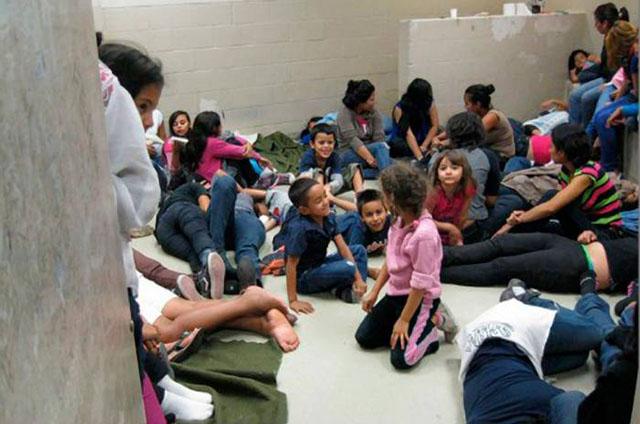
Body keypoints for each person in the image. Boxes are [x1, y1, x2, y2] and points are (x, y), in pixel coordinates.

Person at [459, 271, 636, 424]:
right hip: (490, 349)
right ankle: (622, 314)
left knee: (598, 335)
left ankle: (525, 298)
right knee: (580, 356)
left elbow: (572, 402)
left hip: (510, 326)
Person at [355, 164, 442, 370]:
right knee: (364, 338)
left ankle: (430, 331)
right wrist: (375, 291)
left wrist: (404, 320)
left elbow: (420, 285)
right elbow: (391, 259)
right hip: (397, 295)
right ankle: (410, 327)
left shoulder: (424, 234)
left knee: (403, 360)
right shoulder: (398, 220)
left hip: (420, 298)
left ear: (392, 197)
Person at [496, 124, 623, 240]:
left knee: (551, 197)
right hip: (583, 221)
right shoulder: (566, 170)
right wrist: (525, 215)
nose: (549, 150)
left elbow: (552, 207)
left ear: (562, 153)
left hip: (601, 232)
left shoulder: (587, 174)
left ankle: (509, 236)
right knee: (543, 212)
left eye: (552, 146)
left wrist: (518, 220)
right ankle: (511, 235)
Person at [136, 273, 299, 353]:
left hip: (119, 290)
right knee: (189, 307)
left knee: (166, 333)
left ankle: (249, 303)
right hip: (129, 274)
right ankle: (263, 321)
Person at [441, 229, 638, 293]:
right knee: (501, 243)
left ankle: (431, 273)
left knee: (502, 266)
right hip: (575, 246)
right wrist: (593, 233)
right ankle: (435, 255)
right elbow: (614, 236)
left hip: (579, 267)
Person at [284, 178, 368, 313]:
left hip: (321, 263)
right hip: (305, 277)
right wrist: (293, 300)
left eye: (324, 195)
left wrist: (358, 278)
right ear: (304, 210)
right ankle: (341, 289)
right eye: (318, 201)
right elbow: (291, 264)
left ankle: (354, 289)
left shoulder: (328, 217)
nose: (325, 202)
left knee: (359, 250)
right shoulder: (299, 229)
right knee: (349, 267)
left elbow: (343, 248)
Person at [430, 112, 501, 243]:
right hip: (471, 225)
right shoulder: (487, 156)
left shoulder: (437, 158)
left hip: (438, 225)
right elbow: (491, 200)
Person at [153, 182, 225, 298]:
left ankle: (203, 281)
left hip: (164, 232)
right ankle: (208, 257)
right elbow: (205, 207)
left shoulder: (168, 201)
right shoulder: (195, 187)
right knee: (198, 234)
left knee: (193, 253)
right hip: (182, 209)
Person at [589, 21, 638, 173]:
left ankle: (609, 166)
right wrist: (614, 103)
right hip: (631, 95)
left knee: (604, 119)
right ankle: (581, 157)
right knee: (598, 116)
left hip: (634, 99)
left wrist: (621, 109)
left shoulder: (635, 59)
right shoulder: (628, 57)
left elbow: (637, 93)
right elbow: (627, 81)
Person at [568, 4, 629, 127]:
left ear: (605, 23)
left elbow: (619, 70)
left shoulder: (616, 39)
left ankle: (585, 135)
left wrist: (608, 84)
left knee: (586, 98)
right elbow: (603, 66)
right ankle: (572, 131)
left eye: (596, 22)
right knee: (574, 95)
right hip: (606, 77)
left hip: (613, 81)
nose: (595, 26)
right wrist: (579, 77)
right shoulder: (607, 37)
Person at [181, 111, 271, 186]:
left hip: (204, 180)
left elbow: (232, 136)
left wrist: (247, 144)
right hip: (217, 181)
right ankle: (254, 182)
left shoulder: (195, 140)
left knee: (232, 140)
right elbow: (242, 152)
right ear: (214, 128)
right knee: (234, 148)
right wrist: (259, 157)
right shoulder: (212, 143)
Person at [298, 123, 364, 208]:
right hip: (312, 187)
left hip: (330, 187)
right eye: (321, 143)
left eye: (330, 142)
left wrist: (329, 187)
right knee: (318, 172)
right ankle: (321, 200)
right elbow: (304, 178)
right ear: (312, 144)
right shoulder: (308, 156)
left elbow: (338, 180)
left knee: (354, 167)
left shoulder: (335, 157)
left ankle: (361, 197)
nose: (326, 146)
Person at [336, 79, 392, 179]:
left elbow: (380, 138)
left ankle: (358, 173)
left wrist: (377, 157)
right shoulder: (344, 114)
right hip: (349, 152)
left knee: (395, 164)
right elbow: (353, 140)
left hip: (371, 150)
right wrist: (369, 158)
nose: (374, 102)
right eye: (371, 99)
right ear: (360, 102)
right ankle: (387, 181)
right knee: (382, 152)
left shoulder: (374, 113)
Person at [426, 150, 476, 245]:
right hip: (429, 234)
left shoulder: (468, 187)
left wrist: (456, 237)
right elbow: (423, 221)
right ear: (437, 174)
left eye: (454, 168)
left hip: (452, 233)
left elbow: (462, 217)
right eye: (443, 168)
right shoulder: (432, 193)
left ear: (463, 171)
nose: (448, 172)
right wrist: (449, 228)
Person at [389, 78, 440, 161]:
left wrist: (424, 145)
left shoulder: (429, 102)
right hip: (405, 140)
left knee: (438, 139)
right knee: (398, 146)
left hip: (423, 137)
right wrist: (420, 156)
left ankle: (429, 153)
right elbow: (408, 134)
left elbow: (435, 126)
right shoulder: (400, 108)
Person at [463, 84, 515, 159]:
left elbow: (470, 136)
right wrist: (439, 137)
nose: (465, 107)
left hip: (502, 157)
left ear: (478, 104)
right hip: (489, 152)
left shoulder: (493, 116)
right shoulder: (477, 116)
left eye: (467, 104)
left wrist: (443, 143)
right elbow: (459, 128)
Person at [336, 189, 392, 257]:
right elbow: (351, 256)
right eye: (369, 214)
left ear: (386, 211)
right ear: (362, 217)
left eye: (379, 212)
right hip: (348, 221)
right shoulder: (359, 230)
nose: (375, 218)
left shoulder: (392, 223)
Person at [164, 110, 191, 181]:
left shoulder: (194, 138)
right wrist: (176, 152)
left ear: (189, 124)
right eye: (175, 124)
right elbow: (173, 171)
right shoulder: (169, 143)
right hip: (178, 178)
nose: (179, 126)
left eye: (182, 123)